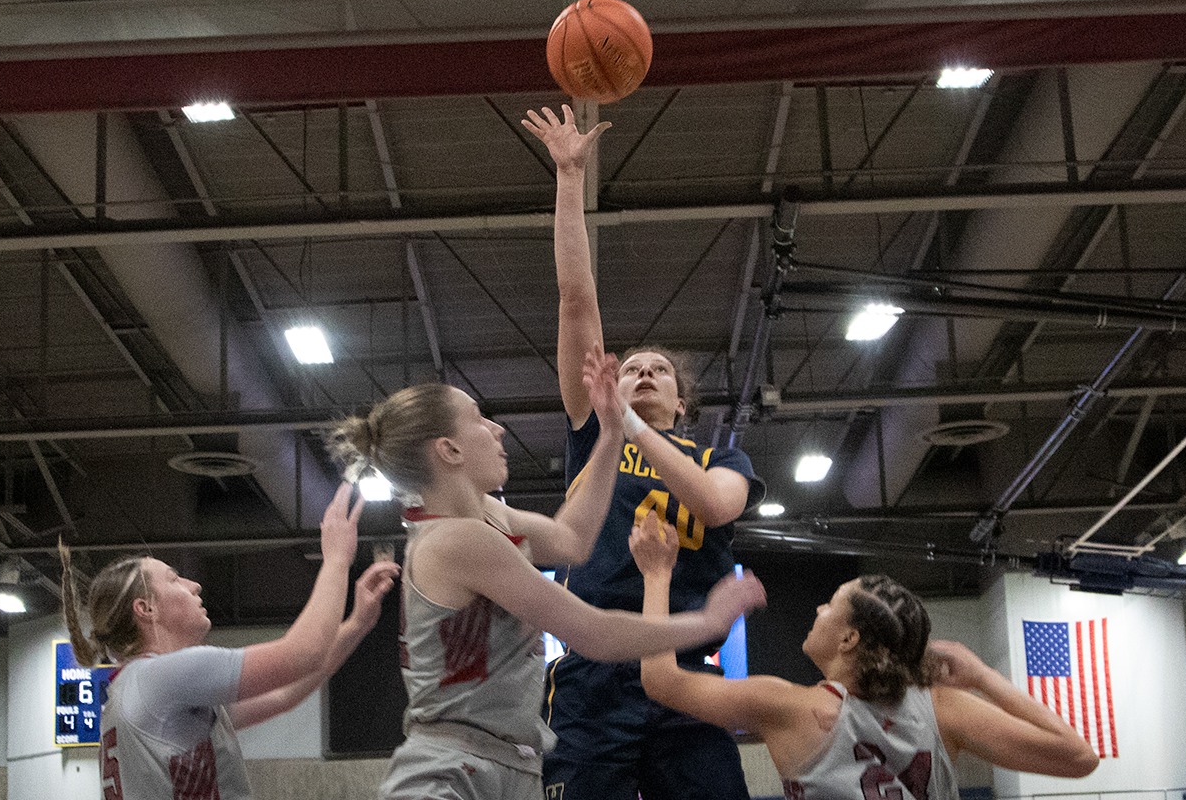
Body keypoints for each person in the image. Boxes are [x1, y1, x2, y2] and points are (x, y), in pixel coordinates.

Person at [328, 350, 767, 800]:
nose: (499, 428)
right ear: (450, 450)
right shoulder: (456, 539)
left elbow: (571, 539)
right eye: (480, 419)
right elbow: (593, 631)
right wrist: (709, 622)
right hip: (453, 766)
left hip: (511, 760)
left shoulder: (487, 514)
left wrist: (613, 430)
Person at [523, 104, 767, 800]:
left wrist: (628, 422)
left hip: (687, 676)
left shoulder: (722, 459)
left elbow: (715, 508)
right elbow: (576, 299)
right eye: (631, 367)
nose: (645, 373)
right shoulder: (590, 436)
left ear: (681, 405)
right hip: (594, 672)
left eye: (659, 369)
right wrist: (570, 178)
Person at [629, 515, 1099, 799]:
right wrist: (983, 676)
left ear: (849, 639)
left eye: (830, 603)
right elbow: (1079, 757)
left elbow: (661, 680)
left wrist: (656, 574)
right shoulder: (942, 707)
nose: (817, 609)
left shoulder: (789, 707)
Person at [58, 483, 397, 800]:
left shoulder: (139, 689)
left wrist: (356, 624)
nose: (194, 585)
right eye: (174, 579)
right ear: (146, 609)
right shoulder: (161, 678)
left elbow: (284, 694)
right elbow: (303, 652)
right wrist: (338, 558)